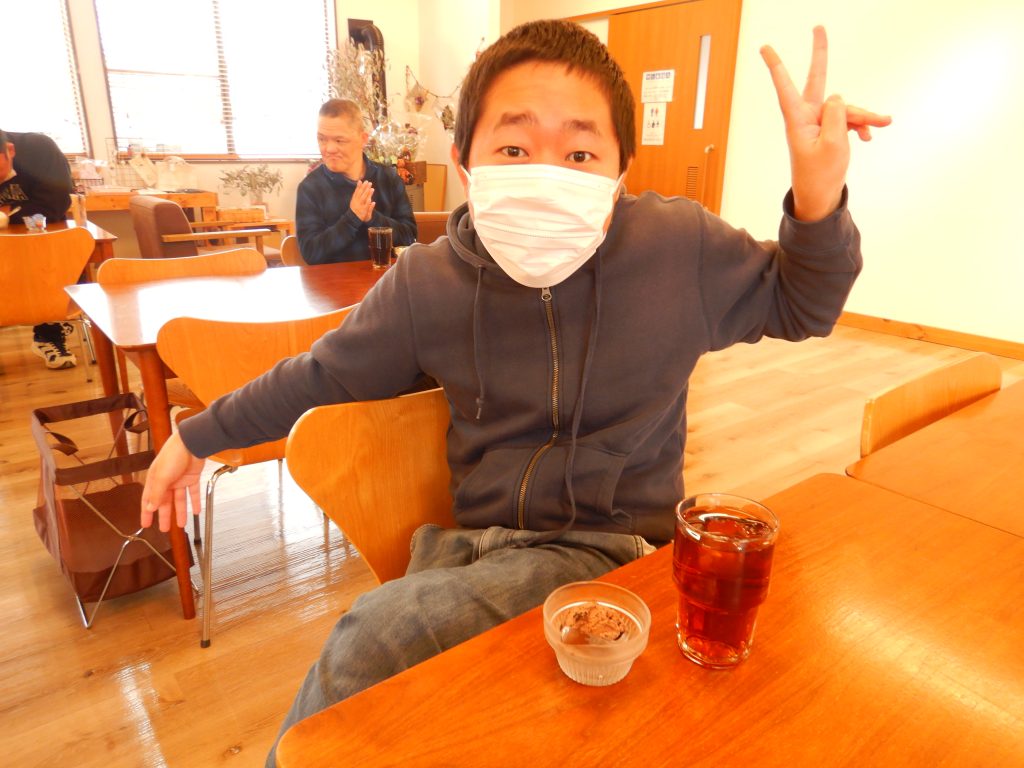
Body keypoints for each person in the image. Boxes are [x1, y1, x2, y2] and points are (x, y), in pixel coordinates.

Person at [140, 20, 890, 765]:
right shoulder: (428, 283)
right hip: (473, 552)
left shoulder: (677, 248)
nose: (547, 174)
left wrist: (818, 196)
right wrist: (196, 436)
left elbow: (802, 305)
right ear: (464, 164)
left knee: (374, 636)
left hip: (619, 553)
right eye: (514, 148)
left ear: (621, 171)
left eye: (580, 153)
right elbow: (323, 374)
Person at [295, 98, 418, 264]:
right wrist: (352, 218)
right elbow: (311, 253)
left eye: (339, 140)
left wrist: (372, 218)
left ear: (363, 139)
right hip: (332, 280)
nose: (329, 149)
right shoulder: (310, 188)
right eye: (322, 139)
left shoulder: (388, 179)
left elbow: (410, 238)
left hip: (386, 278)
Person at [0, 128, 78, 369]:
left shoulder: (39, 149)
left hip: (43, 237)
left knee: (48, 263)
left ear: (10, 150)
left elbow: (54, 205)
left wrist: (6, 216)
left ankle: (49, 335)